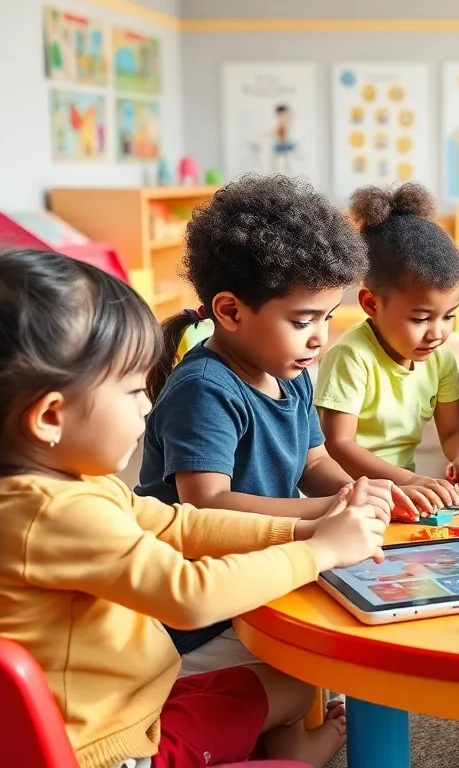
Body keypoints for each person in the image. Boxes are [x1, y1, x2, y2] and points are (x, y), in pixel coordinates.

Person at [0, 249, 388, 768]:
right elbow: (188, 596)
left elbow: (179, 523)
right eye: (131, 390)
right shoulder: (50, 515)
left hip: (134, 700)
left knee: (294, 686)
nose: (148, 405)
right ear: (51, 417)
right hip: (110, 747)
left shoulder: (64, 485)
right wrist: (318, 551)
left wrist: (301, 531)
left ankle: (277, 742)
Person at [137, 174, 410, 670]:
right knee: (316, 669)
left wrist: (358, 492)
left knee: (346, 641)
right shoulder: (205, 389)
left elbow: (315, 460)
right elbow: (207, 503)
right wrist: (323, 509)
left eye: (328, 318)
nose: (319, 339)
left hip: (260, 568)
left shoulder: (290, 371)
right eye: (303, 321)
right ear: (230, 311)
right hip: (198, 608)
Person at [316, 183, 459, 514]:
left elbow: (452, 430)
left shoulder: (439, 358)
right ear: (371, 303)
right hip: (348, 497)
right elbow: (338, 445)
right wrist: (407, 480)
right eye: (421, 318)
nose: (437, 332)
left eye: (449, 315)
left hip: (402, 494)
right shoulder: (351, 357)